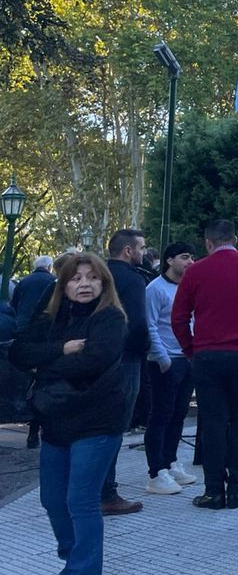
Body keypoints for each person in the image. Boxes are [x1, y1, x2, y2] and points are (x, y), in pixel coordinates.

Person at [11, 252, 128, 575]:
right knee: (52, 500)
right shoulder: (52, 316)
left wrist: (45, 365)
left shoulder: (111, 318)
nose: (84, 284)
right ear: (63, 286)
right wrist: (60, 349)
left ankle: (83, 569)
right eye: (76, 279)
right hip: (55, 419)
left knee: (81, 500)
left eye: (92, 277)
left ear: (104, 282)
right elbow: (19, 352)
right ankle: (75, 555)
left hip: (97, 420)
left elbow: (93, 361)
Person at [171, 219, 238, 511]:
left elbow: (178, 317)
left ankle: (213, 490)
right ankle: (237, 489)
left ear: (208, 243)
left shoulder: (196, 271)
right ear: (235, 239)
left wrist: (191, 349)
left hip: (209, 355)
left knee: (213, 421)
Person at [99, 229, 150, 516]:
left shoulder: (98, 275)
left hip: (94, 359)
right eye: (141, 247)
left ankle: (90, 487)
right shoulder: (132, 279)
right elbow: (138, 324)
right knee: (115, 427)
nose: (144, 252)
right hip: (125, 360)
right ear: (129, 251)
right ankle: (107, 492)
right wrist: (143, 351)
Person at [143, 241, 198, 495]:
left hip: (187, 357)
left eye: (192, 257)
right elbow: (150, 324)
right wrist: (161, 357)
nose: (190, 262)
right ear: (169, 260)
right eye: (185, 257)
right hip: (166, 360)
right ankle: (156, 471)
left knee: (179, 414)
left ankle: (171, 460)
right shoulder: (155, 289)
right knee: (161, 414)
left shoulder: (190, 287)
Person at [13, 254, 56, 448]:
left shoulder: (24, 281)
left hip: (23, 330)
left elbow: (14, 304)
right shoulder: (52, 282)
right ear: (49, 267)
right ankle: (34, 429)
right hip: (44, 335)